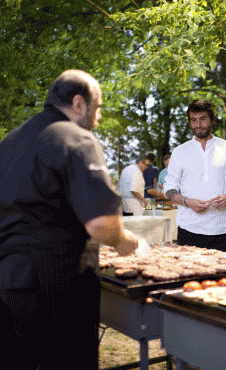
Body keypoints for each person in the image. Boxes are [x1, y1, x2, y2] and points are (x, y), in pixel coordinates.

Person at [0, 69, 139, 370]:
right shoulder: (76, 138)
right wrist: (126, 241)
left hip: (8, 279)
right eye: (98, 107)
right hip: (56, 281)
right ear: (79, 103)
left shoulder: (9, 143)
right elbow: (101, 224)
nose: (98, 117)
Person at [164, 99, 226, 252]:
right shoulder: (179, 152)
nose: (198, 124)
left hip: (223, 230)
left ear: (213, 120)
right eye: (194, 120)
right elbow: (169, 188)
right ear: (190, 123)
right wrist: (187, 201)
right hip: (189, 230)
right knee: (190, 276)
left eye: (203, 119)